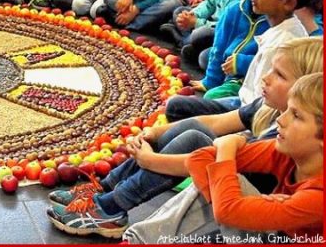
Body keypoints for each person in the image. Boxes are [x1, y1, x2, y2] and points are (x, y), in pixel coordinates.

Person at [47, 37, 322, 239]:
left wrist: (152, 160)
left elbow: (225, 196)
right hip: (242, 201)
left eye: (280, 75)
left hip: (248, 206)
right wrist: (157, 133)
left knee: (195, 144)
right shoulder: (272, 112)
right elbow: (215, 127)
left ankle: (112, 207)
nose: (265, 78)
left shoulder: (286, 141)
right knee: (188, 128)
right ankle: (105, 193)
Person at [125, 72, 324, 243]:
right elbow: (200, 160)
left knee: (224, 178)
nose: (280, 119)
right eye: (287, 109)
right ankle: (134, 236)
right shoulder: (283, 151)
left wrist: (227, 148)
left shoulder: (318, 196)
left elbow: (227, 212)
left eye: (296, 115)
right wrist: (228, 196)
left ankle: (123, 221)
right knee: (222, 178)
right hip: (274, 234)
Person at [167, 0, 318, 120]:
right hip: (244, 103)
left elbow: (260, 107)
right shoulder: (279, 28)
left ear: (288, 3)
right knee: (179, 105)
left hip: (247, 112)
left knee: (179, 107)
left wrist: (223, 124)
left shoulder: (282, 43)